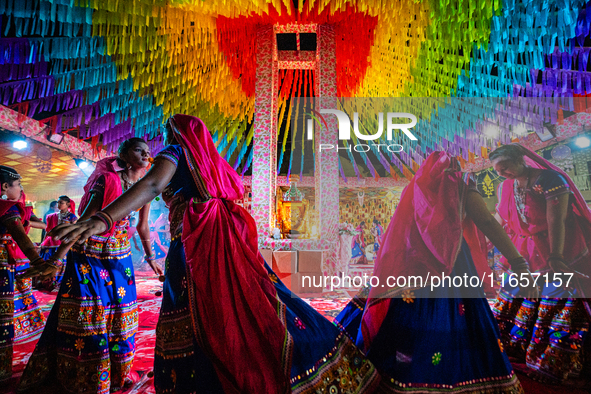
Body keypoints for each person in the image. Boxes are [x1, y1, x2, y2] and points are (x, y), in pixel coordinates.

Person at [48, 114, 381, 394]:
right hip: (219, 241)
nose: (161, 140)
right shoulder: (211, 163)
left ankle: (200, 380)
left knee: (198, 309)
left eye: (166, 132)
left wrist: (100, 220)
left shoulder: (175, 152)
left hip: (195, 246)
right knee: (239, 303)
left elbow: (150, 186)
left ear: (176, 133)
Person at [335, 151, 536, 393]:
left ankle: (401, 373)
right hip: (454, 266)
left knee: (410, 322)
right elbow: (489, 224)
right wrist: (519, 263)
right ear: (457, 172)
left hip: (411, 267)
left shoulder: (416, 192)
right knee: (454, 321)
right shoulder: (462, 191)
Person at [18, 138, 163, 394]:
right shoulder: (105, 180)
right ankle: (87, 376)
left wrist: (152, 258)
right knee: (90, 313)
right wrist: (55, 259)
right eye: (138, 150)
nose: (145, 155)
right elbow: (84, 223)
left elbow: (142, 226)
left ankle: (116, 373)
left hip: (121, 256)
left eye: (148, 152)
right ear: (124, 154)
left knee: (122, 312)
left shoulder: (144, 185)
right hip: (89, 252)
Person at [489, 143, 591, 383]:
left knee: (556, 298)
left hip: (556, 246)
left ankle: (550, 359)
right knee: (514, 296)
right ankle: (513, 350)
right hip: (523, 250)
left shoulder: (549, 179)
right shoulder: (505, 187)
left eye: (507, 168)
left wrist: (556, 255)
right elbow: (500, 219)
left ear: (520, 160)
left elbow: (558, 220)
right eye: (499, 171)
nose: (503, 174)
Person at [0, 166, 47, 383]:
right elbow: (20, 237)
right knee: (2, 316)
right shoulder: (7, 208)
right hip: (1, 265)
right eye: (18, 184)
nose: (21, 189)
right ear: (4, 187)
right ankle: (2, 371)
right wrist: (38, 261)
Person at [36, 195, 77, 290]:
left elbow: (74, 231)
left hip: (63, 244)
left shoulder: (72, 217)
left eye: (61, 203)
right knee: (47, 262)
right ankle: (46, 283)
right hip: (50, 244)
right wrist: (42, 243)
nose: (58, 205)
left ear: (67, 204)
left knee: (61, 264)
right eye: (58, 202)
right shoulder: (51, 216)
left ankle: (58, 284)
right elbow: (47, 231)